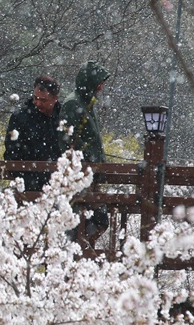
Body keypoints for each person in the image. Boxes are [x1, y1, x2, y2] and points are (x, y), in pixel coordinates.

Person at [59, 61, 111, 247]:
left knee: (99, 219)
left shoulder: (86, 103)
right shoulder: (73, 103)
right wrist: (85, 159)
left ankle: (80, 248)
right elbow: (66, 139)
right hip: (80, 176)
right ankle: (76, 250)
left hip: (90, 175)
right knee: (82, 219)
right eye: (99, 82)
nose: (102, 86)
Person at [4, 75, 62, 191]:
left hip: (58, 184)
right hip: (28, 182)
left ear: (55, 98)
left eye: (43, 100)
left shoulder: (63, 117)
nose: (38, 103)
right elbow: (11, 152)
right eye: (36, 98)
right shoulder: (20, 117)